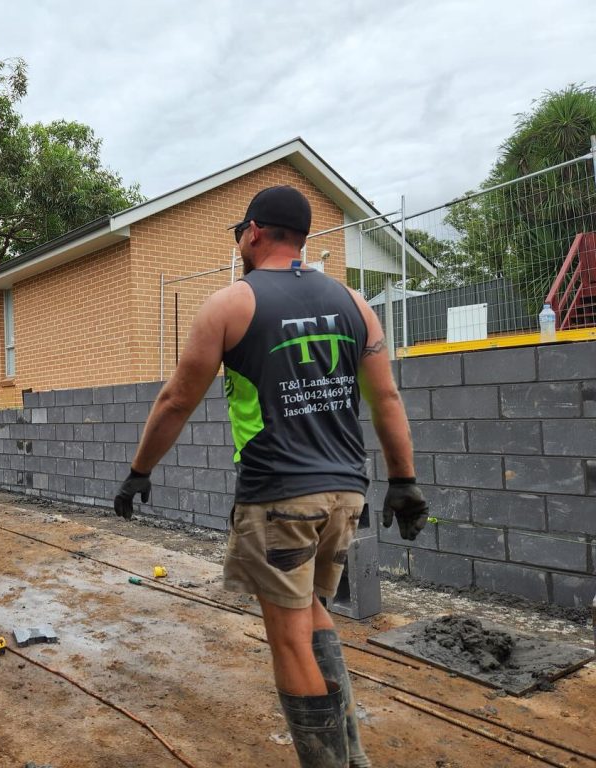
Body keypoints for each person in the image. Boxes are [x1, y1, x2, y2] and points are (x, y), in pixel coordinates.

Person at [114, 185, 428, 768]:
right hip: (345, 495)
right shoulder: (354, 303)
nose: (238, 242)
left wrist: (139, 472)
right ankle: (351, 753)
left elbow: (176, 399)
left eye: (240, 232)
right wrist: (404, 481)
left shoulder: (232, 304)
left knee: (287, 637)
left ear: (254, 232)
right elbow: (385, 396)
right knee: (313, 612)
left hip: (279, 497)